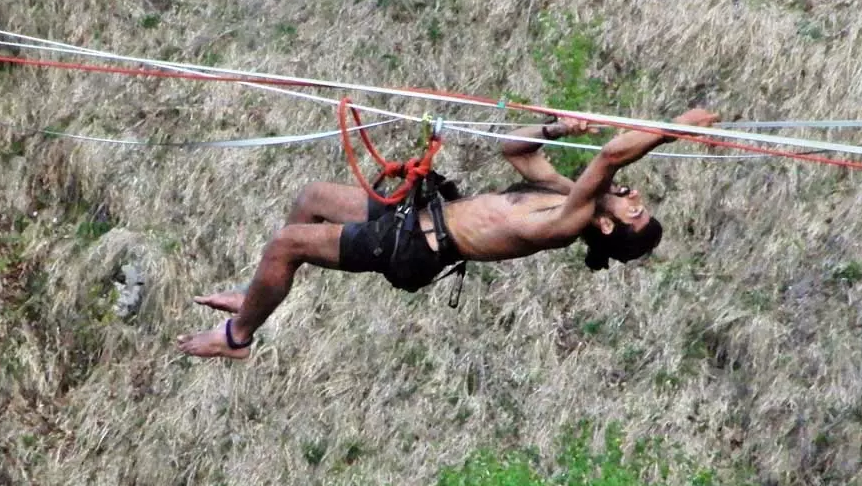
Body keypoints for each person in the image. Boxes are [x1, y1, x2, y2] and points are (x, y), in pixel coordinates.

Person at [177, 107, 720, 359]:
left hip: (414, 246)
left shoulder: (569, 219)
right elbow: (516, 149)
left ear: (604, 225)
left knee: (286, 246)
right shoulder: (563, 194)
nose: (635, 199)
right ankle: (254, 297)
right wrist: (556, 127)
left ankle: (237, 337)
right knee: (313, 198)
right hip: (419, 214)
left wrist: (676, 128)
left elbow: (612, 156)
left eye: (634, 213)